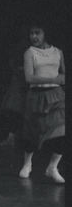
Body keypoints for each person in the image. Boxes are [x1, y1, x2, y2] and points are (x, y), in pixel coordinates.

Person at [18, 22, 65, 183]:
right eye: (31, 33)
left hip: (56, 96)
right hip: (37, 96)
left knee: (62, 132)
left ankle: (52, 167)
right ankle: (27, 163)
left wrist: (60, 80)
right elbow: (29, 77)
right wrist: (54, 78)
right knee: (32, 132)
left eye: (37, 33)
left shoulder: (58, 52)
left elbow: (63, 74)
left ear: (45, 34)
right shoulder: (30, 53)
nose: (34, 36)